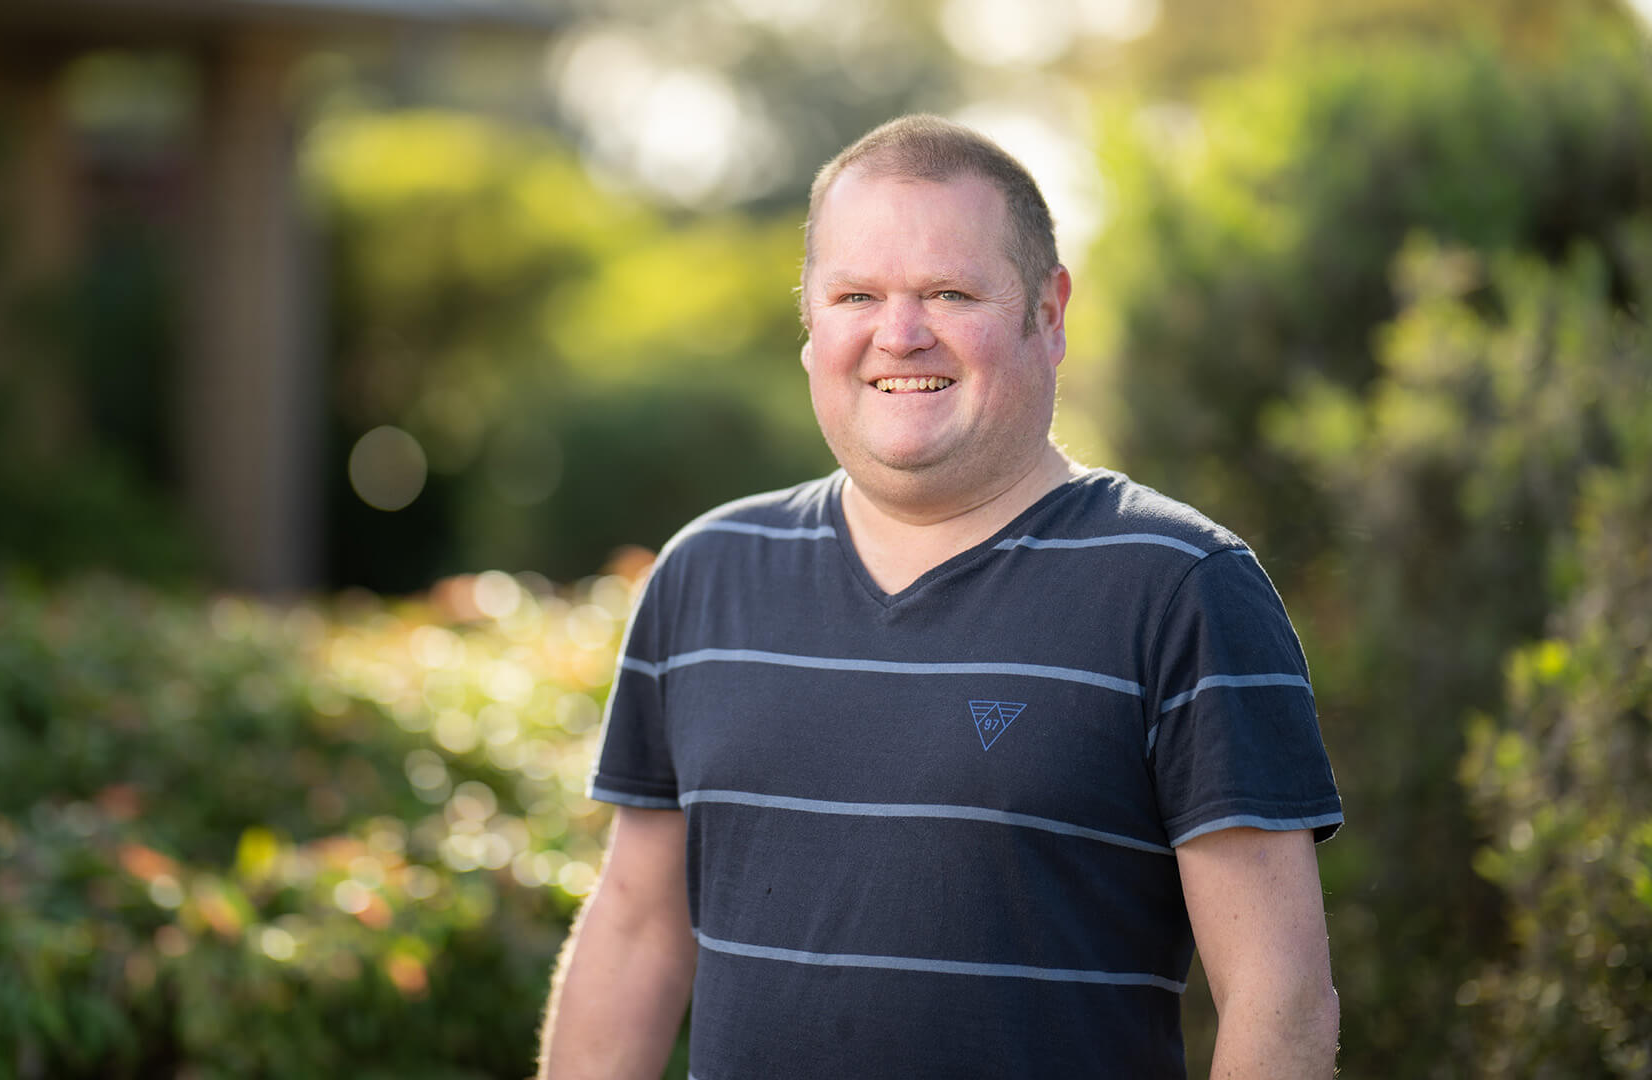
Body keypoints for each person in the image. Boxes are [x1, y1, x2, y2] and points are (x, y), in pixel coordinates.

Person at [539, 114, 1342, 1079]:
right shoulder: (706, 573)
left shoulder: (1180, 588)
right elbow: (634, 930)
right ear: (810, 322)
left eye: (949, 292)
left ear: (1048, 313)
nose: (899, 333)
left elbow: (1280, 1000)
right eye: (855, 295)